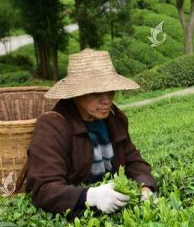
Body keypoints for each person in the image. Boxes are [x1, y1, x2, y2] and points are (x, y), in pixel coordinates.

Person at [26, 49, 158, 218]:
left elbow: (132, 159)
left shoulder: (114, 117)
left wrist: (146, 187)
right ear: (77, 94)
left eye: (110, 91)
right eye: (96, 93)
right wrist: (89, 197)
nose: (107, 100)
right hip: (82, 216)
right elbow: (44, 189)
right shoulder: (53, 126)